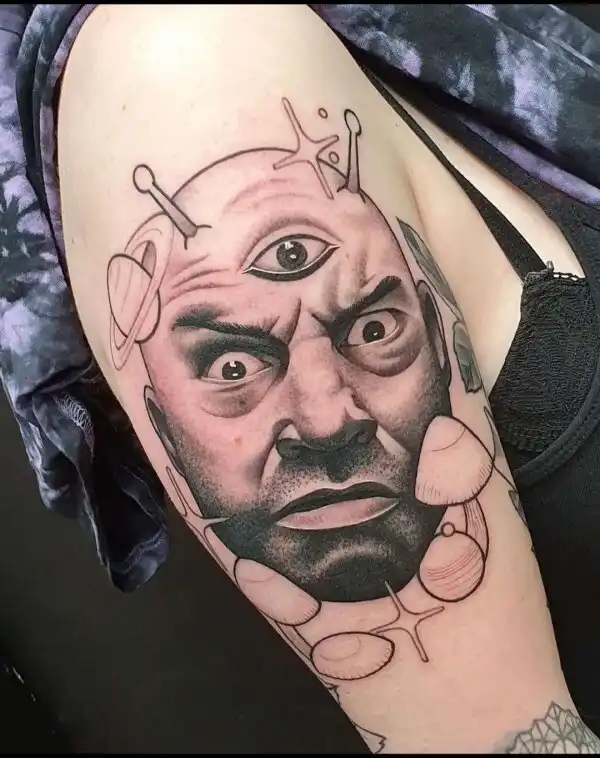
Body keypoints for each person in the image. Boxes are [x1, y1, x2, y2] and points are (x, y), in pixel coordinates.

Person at [3, 3, 600, 753]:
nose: (327, 420)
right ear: (160, 423)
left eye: (373, 331)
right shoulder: (188, 60)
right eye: (234, 366)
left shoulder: (422, 33)